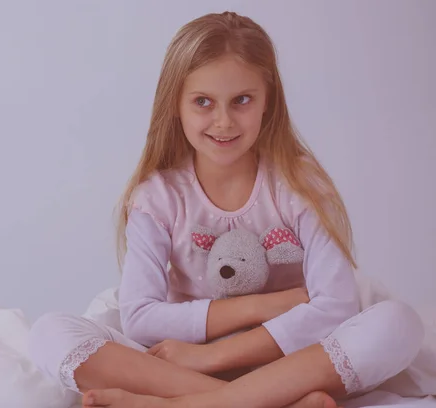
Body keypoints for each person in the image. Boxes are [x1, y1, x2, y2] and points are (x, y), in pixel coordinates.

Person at [28, 11, 426, 408]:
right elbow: (141, 318)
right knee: (50, 333)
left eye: (242, 101)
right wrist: (264, 305)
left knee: (398, 323)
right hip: (181, 362)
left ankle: (187, 404)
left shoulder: (300, 186)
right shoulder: (158, 197)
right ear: (176, 105)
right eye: (203, 102)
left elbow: (335, 307)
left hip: (288, 359)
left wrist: (210, 356)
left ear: (268, 101)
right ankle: (261, 402)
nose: (223, 122)